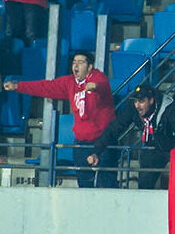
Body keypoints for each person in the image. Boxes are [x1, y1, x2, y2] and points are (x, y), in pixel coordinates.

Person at [3, 51, 117, 188]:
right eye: (74, 62)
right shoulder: (70, 82)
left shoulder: (98, 77)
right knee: (84, 184)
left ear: (90, 66)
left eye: (80, 62)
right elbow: (46, 87)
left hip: (103, 140)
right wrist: (18, 86)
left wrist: (94, 86)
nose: (76, 66)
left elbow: (103, 85)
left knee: (106, 183)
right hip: (81, 142)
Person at [89, 83, 175, 189]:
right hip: (153, 147)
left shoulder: (169, 109)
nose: (137, 105)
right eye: (135, 101)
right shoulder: (133, 109)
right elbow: (114, 129)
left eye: (141, 101)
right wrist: (96, 151)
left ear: (151, 100)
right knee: (144, 183)